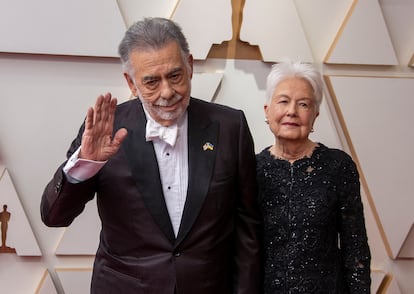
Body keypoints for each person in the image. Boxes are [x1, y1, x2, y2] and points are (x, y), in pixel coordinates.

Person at [40, 17, 261, 294]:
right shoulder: (104, 130)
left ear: (190, 66)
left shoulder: (231, 126)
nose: (167, 92)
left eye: (175, 75)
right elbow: (54, 216)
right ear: (131, 83)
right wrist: (87, 163)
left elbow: (247, 229)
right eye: (151, 82)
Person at [256, 60, 371, 293]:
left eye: (303, 104)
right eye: (284, 101)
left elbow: (355, 246)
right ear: (267, 110)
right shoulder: (251, 169)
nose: (292, 111)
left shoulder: (338, 166)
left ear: (315, 115)